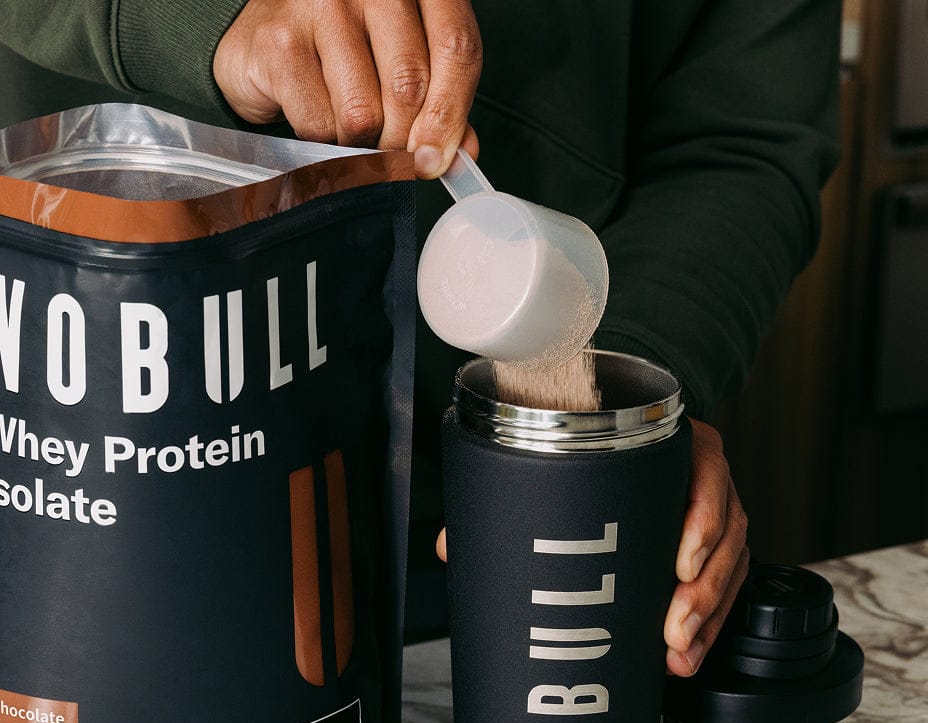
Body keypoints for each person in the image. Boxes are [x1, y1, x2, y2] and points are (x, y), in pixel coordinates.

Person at [0, 0, 842, 676]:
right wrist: (200, 17)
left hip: (483, 541)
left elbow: (740, 143)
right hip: (84, 477)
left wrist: (631, 390)